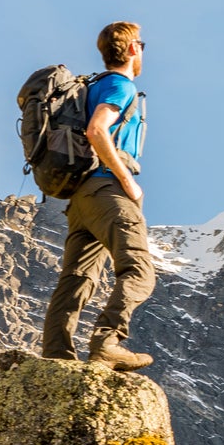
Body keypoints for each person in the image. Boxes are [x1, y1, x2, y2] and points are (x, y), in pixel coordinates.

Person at [40, 21, 156, 371]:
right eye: (142, 45)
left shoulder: (93, 86)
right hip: (108, 190)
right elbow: (96, 130)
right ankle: (107, 342)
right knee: (139, 271)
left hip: (81, 199)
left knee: (76, 279)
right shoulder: (120, 87)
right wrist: (126, 180)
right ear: (133, 49)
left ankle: (56, 356)